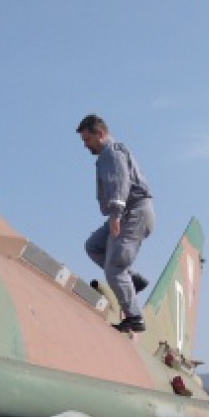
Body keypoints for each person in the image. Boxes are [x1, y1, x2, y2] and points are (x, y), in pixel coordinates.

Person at [77, 114, 154, 333]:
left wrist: (115, 215)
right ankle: (133, 280)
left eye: (88, 140)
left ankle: (134, 318)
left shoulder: (112, 153)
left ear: (100, 134)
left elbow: (120, 182)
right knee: (93, 246)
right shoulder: (107, 155)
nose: (85, 145)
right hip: (129, 212)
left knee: (114, 268)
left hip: (133, 213)